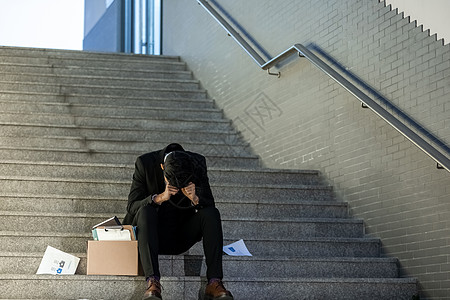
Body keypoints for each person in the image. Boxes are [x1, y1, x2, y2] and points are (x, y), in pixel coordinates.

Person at [123, 143, 234, 300]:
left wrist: (196, 198)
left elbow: (209, 204)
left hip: (181, 234)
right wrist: (159, 198)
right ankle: (152, 282)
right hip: (150, 235)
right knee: (145, 209)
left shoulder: (198, 163)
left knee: (211, 213)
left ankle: (214, 282)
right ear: (162, 167)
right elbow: (132, 206)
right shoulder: (145, 163)